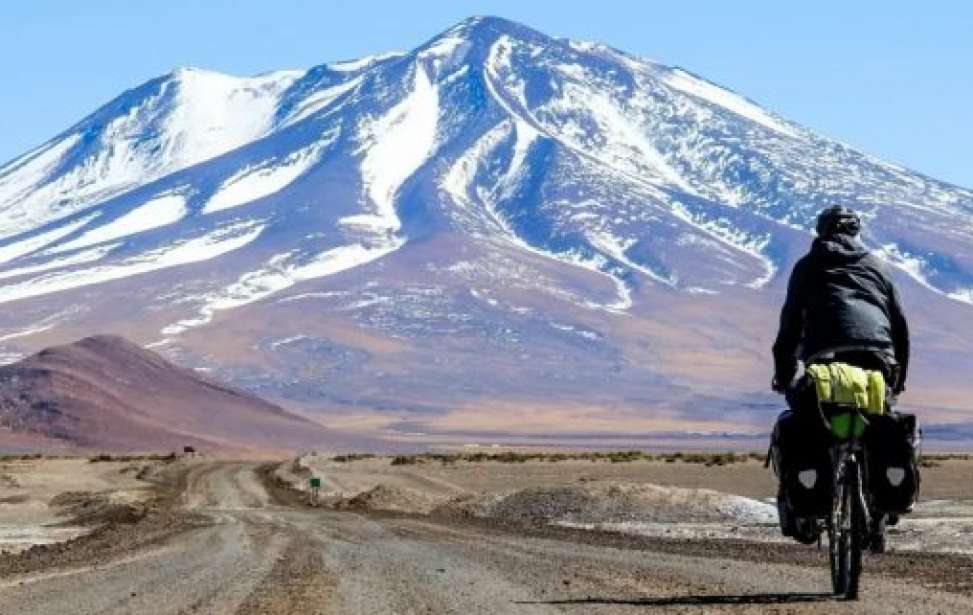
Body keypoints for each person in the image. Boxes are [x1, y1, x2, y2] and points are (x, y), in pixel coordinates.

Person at [770, 205, 910, 546]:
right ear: (856, 232)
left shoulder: (807, 267)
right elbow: (900, 327)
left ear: (821, 231)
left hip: (824, 364)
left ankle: (808, 508)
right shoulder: (878, 267)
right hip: (877, 362)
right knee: (880, 421)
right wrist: (898, 378)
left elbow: (789, 327)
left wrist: (784, 373)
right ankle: (879, 510)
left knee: (807, 422)